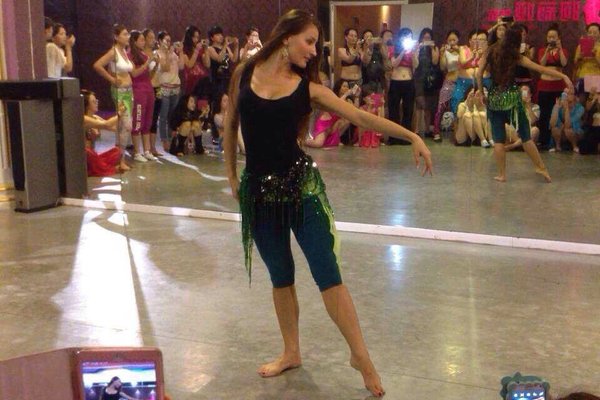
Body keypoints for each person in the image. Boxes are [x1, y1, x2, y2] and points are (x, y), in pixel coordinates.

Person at [224, 9, 432, 398]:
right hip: (260, 195)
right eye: (308, 42)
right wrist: (233, 177)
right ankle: (291, 351)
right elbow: (231, 123)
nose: (312, 51)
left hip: (302, 190)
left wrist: (412, 136)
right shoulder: (244, 74)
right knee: (281, 276)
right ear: (286, 36)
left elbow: (360, 117)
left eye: (316, 45)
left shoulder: (308, 90)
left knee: (327, 273)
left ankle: (361, 357)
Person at [476, 25, 573, 183]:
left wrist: (481, 92)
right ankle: (541, 168)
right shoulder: (516, 56)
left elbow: (479, 73)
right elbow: (540, 68)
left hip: (494, 99)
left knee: (498, 140)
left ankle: (502, 174)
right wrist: (564, 76)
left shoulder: (490, 50)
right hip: (512, 99)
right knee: (526, 137)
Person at [93, 24, 135, 172]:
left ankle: (119, 159)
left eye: (128, 34)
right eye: (124, 34)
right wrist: (111, 79)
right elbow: (97, 65)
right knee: (126, 124)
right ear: (116, 37)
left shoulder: (124, 51)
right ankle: (119, 159)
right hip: (120, 92)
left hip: (129, 91)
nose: (127, 36)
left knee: (123, 126)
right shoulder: (114, 52)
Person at [537, 24, 568, 150]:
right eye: (549, 37)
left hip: (558, 86)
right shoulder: (542, 50)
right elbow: (541, 64)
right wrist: (547, 51)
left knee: (557, 113)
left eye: (554, 37)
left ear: (558, 37)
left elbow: (564, 63)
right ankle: (543, 141)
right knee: (544, 114)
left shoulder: (563, 50)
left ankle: (556, 142)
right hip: (544, 85)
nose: (551, 39)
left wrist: (559, 49)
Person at [128, 30, 158, 162]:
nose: (143, 42)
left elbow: (149, 76)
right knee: (138, 120)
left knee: (148, 121)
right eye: (141, 40)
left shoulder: (144, 55)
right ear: (134, 41)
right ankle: (137, 152)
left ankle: (147, 150)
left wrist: (156, 65)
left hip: (148, 89)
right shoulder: (129, 55)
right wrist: (147, 63)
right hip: (138, 90)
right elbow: (134, 74)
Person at [82, 90, 123, 177]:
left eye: (96, 100)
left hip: (94, 155)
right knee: (88, 153)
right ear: (86, 105)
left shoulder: (95, 117)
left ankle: (100, 167)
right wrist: (119, 114)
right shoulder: (84, 118)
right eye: (93, 102)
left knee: (117, 151)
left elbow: (113, 128)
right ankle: (100, 168)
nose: (97, 103)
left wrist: (124, 117)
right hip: (85, 156)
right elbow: (107, 124)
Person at [306, 79, 356, 148]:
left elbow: (355, 112)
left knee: (347, 120)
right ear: (339, 87)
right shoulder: (333, 96)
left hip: (334, 126)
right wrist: (346, 94)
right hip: (324, 124)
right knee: (318, 144)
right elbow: (337, 105)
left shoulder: (348, 100)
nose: (346, 88)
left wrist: (357, 97)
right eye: (344, 86)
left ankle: (335, 138)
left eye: (347, 87)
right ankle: (302, 141)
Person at [388, 27, 417, 144]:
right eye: (405, 36)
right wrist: (403, 52)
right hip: (396, 81)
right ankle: (393, 137)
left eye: (410, 37)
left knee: (408, 110)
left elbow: (416, 65)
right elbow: (394, 64)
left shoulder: (413, 49)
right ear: (400, 37)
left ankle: (406, 137)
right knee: (393, 110)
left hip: (409, 81)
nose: (407, 39)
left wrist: (413, 53)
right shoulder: (393, 48)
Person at [433, 30, 460, 141]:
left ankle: (458, 133)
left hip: (460, 82)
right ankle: (436, 132)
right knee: (441, 107)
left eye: (454, 40)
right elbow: (443, 67)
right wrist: (443, 54)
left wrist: (459, 50)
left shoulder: (463, 51)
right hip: (449, 81)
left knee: (458, 108)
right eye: (450, 40)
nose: (452, 42)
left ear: (458, 40)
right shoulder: (445, 52)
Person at [413, 28, 440, 137]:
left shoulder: (435, 48)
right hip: (419, 78)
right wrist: (417, 49)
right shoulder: (417, 48)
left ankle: (427, 129)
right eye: (424, 38)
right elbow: (415, 64)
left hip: (430, 79)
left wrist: (432, 48)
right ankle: (417, 129)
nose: (426, 39)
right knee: (420, 103)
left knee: (428, 106)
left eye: (428, 38)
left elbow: (435, 61)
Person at [549, 86, 585, 153]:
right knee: (555, 129)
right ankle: (557, 147)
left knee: (568, 130)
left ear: (574, 96)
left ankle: (575, 146)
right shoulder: (559, 106)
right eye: (565, 94)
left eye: (570, 94)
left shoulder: (580, 108)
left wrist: (566, 109)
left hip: (575, 131)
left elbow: (568, 125)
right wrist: (556, 107)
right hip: (561, 131)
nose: (567, 96)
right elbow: (552, 124)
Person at [505, 85, 540, 150]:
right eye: (522, 93)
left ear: (530, 95)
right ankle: (522, 145)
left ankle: (513, 146)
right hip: (516, 131)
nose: (524, 95)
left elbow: (532, 121)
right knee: (505, 126)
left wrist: (528, 106)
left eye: (526, 92)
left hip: (528, 130)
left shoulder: (535, 107)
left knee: (535, 130)